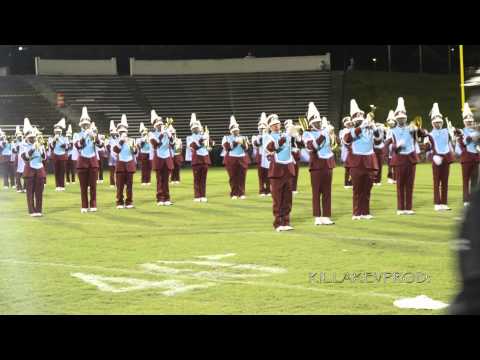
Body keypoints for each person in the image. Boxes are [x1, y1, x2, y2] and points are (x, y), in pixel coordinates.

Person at [386, 97, 426, 215]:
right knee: (399, 185)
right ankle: (400, 208)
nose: (401, 120)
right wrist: (397, 146)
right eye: (399, 118)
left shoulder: (411, 128)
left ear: (406, 118)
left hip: (410, 158)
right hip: (399, 158)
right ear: (396, 119)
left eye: (403, 118)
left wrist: (417, 128)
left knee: (410, 184)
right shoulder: (392, 130)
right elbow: (388, 146)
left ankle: (408, 208)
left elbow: (422, 134)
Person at [343, 99, 381, 220]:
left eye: (361, 116)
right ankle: (356, 212)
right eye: (357, 116)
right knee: (357, 189)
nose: (360, 118)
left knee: (367, 189)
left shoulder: (369, 129)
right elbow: (347, 139)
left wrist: (375, 128)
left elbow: (379, 141)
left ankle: (365, 212)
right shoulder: (350, 130)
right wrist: (362, 127)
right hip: (356, 163)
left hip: (369, 162)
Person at [303, 102, 335, 225]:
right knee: (316, 192)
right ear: (311, 123)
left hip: (328, 164)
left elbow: (333, 144)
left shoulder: (325, 131)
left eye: (319, 122)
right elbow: (312, 147)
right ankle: (317, 216)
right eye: (316, 122)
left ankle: (326, 215)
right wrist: (323, 134)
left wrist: (331, 134)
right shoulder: (307, 134)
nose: (318, 124)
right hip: (316, 165)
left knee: (327, 192)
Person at [265, 114, 296, 231]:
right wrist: (285, 137)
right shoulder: (268, 137)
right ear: (270, 127)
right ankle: (278, 223)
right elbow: (270, 148)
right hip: (276, 170)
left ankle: (286, 221)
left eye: (277, 124)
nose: (276, 126)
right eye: (273, 125)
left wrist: (295, 135)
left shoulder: (286, 135)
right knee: (277, 199)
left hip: (288, 169)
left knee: (288, 198)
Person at [425, 103, 454, 211]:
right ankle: (437, 203)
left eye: (439, 122)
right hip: (436, 159)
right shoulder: (430, 134)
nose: (438, 124)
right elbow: (427, 149)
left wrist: (453, 133)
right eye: (436, 122)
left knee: (445, 182)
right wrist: (433, 156)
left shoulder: (446, 131)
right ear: (432, 123)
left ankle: (444, 203)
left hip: (446, 158)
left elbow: (452, 143)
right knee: (436, 182)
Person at [74, 106, 104, 213]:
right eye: (84, 124)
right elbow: (78, 146)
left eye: (87, 123)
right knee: (83, 187)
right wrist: (84, 136)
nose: (86, 125)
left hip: (93, 161)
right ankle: (84, 205)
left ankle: (93, 204)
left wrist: (95, 137)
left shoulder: (94, 134)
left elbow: (101, 145)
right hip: (82, 162)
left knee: (93, 186)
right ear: (81, 125)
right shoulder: (77, 135)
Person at [454, 102, 479, 207]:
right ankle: (466, 200)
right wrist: (469, 138)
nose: (469, 122)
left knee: (474, 181)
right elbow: (461, 145)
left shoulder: (477, 131)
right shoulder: (461, 131)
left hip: (476, 158)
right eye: (467, 121)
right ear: (464, 122)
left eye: (470, 121)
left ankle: (473, 200)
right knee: (466, 181)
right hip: (466, 159)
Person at [20, 119, 46, 217]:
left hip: (39, 169)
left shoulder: (39, 144)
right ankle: (31, 210)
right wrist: (32, 149)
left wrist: (41, 148)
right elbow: (25, 158)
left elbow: (44, 157)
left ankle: (39, 210)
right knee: (30, 192)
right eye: (30, 138)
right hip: (29, 170)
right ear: (26, 138)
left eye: (33, 137)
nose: (32, 139)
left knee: (39, 192)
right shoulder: (23, 145)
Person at [149, 110, 174, 206]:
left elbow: (172, 145)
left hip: (167, 157)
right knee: (159, 179)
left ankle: (167, 198)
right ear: (155, 126)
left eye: (161, 124)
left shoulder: (166, 132)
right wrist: (161, 135)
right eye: (158, 125)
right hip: (158, 157)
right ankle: (160, 198)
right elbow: (155, 145)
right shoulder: (152, 134)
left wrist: (170, 136)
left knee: (166, 180)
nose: (160, 126)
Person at [222, 115, 250, 199]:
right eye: (234, 131)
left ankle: (241, 193)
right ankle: (234, 193)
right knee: (233, 177)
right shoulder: (226, 137)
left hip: (242, 158)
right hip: (231, 159)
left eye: (237, 130)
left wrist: (242, 143)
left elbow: (247, 148)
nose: (235, 132)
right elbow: (227, 148)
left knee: (242, 176)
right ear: (230, 131)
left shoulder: (243, 137)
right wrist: (235, 142)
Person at [113, 114, 137, 209]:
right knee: (120, 186)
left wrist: (134, 149)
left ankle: (129, 202)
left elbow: (135, 152)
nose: (123, 132)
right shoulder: (116, 141)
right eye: (121, 131)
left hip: (129, 164)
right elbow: (116, 150)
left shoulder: (131, 140)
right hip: (120, 165)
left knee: (129, 186)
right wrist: (121, 141)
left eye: (124, 131)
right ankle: (119, 202)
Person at [188, 113, 211, 202]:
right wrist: (202, 140)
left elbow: (211, 144)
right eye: (194, 128)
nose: (195, 129)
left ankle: (203, 195)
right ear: (192, 129)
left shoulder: (203, 135)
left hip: (205, 159)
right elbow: (194, 146)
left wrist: (209, 141)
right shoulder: (190, 138)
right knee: (197, 179)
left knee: (203, 179)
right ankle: (197, 196)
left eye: (196, 128)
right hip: (197, 160)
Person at [252, 112, 271, 197]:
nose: (262, 130)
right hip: (260, 157)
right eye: (260, 129)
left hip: (268, 157)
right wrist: (262, 137)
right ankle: (261, 190)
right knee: (261, 175)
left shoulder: (270, 136)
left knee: (268, 174)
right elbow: (256, 144)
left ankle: (268, 189)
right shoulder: (255, 137)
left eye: (263, 128)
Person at [285, 119, 305, 195]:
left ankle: (294, 188)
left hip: (296, 152)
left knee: (296, 171)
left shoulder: (295, 133)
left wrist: (298, 134)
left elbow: (300, 141)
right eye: (289, 126)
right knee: (289, 172)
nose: (291, 128)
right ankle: (289, 187)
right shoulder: (285, 134)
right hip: (289, 153)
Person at [48, 118, 68, 191]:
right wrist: (54, 140)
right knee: (56, 171)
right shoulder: (51, 138)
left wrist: (59, 139)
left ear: (61, 132)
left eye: (58, 132)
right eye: (56, 132)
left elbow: (66, 147)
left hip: (62, 155)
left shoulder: (64, 138)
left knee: (62, 171)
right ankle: (57, 186)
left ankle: (62, 186)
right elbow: (51, 147)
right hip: (55, 155)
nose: (57, 133)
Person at [339, 116, 354, 189]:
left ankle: (351, 182)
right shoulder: (343, 131)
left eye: (350, 123)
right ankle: (346, 183)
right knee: (348, 168)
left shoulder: (353, 129)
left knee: (353, 167)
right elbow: (344, 141)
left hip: (353, 151)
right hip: (347, 151)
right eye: (348, 123)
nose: (350, 124)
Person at [137, 122, 152, 186]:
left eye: (146, 132)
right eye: (144, 132)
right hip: (143, 153)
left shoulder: (150, 138)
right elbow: (140, 147)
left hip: (149, 153)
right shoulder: (139, 139)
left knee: (149, 167)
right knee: (143, 168)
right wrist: (143, 140)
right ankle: (143, 181)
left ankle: (148, 180)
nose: (145, 133)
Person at [13, 125, 26, 193]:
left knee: (25, 174)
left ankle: (25, 187)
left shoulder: (25, 142)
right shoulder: (15, 143)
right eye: (18, 136)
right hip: (18, 159)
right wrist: (16, 147)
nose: (19, 137)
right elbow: (14, 151)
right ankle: (19, 188)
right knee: (18, 175)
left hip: (24, 159)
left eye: (20, 136)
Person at [385, 111, 397, 184]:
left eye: (392, 122)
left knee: (396, 164)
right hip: (389, 149)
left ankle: (395, 178)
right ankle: (390, 177)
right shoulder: (388, 129)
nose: (391, 124)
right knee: (389, 164)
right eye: (389, 122)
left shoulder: (397, 129)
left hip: (395, 149)